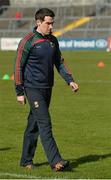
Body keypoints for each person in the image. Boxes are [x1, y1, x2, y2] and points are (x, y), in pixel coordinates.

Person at [14, 8, 79, 171]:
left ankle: (25, 160)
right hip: (32, 88)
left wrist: (70, 80)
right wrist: (19, 92)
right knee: (45, 123)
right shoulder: (28, 40)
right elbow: (18, 67)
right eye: (48, 23)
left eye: (52, 23)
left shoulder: (53, 41)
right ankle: (56, 161)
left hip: (47, 88)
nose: (51, 26)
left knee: (34, 124)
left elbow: (59, 62)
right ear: (38, 22)